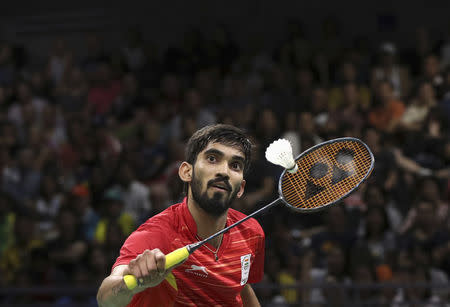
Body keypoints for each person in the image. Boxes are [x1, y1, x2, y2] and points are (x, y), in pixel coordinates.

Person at [97, 124, 265, 306]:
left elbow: (241, 286)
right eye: (212, 158)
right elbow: (105, 298)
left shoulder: (251, 232)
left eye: (235, 165)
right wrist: (132, 283)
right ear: (187, 172)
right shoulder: (158, 234)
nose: (224, 171)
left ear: (240, 188)